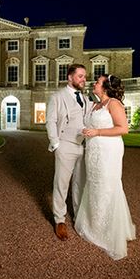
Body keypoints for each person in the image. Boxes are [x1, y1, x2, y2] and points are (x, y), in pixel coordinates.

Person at [76, 74, 136, 260]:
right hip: (93, 150)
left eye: (97, 82)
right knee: (94, 184)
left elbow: (123, 128)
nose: (94, 84)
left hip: (109, 150)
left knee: (107, 185)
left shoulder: (113, 103)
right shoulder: (95, 105)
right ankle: (94, 225)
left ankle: (108, 230)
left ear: (106, 87)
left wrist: (97, 132)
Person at [46, 64, 93, 241]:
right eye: (80, 76)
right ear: (70, 78)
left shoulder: (87, 98)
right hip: (65, 144)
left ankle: (78, 217)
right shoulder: (58, 96)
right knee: (61, 183)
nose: (83, 79)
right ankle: (59, 220)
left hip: (84, 146)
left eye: (84, 76)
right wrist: (56, 143)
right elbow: (50, 121)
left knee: (81, 183)